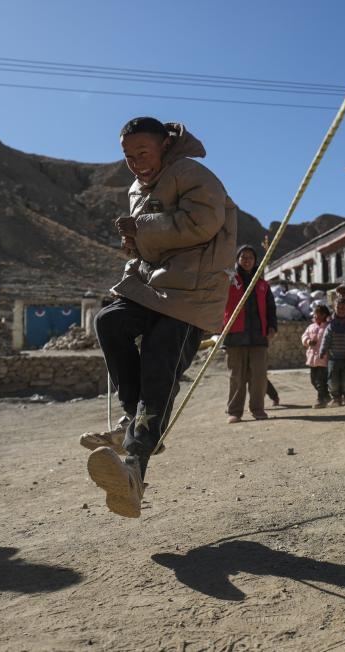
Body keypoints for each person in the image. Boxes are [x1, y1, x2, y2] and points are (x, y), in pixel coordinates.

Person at [83, 117, 236, 518]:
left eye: (143, 154)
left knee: (158, 372)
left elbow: (202, 224)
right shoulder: (137, 188)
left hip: (191, 295)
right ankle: (136, 423)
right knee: (109, 322)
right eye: (129, 157)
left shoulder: (193, 174)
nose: (136, 164)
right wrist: (133, 244)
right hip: (153, 287)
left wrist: (142, 228)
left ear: (166, 145)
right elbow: (151, 245)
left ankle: (133, 468)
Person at [224, 245, 277, 424]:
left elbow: (271, 307)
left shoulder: (262, 284)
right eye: (243, 257)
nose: (247, 260)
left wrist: (272, 327)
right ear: (237, 260)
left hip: (258, 336)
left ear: (255, 261)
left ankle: (257, 408)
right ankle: (235, 411)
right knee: (237, 376)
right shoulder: (230, 279)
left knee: (259, 375)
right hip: (235, 335)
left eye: (250, 257)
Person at [320, 298, 345, 406]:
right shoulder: (331, 325)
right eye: (338, 307)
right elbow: (326, 338)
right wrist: (322, 350)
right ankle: (336, 398)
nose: (341, 310)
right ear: (334, 308)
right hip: (333, 358)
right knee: (333, 380)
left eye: (343, 308)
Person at [302, 304, 332, 408]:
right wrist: (308, 341)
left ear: (324, 315)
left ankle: (321, 400)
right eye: (315, 314)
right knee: (313, 380)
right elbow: (304, 336)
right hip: (312, 359)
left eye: (318, 314)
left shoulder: (329, 327)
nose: (315, 316)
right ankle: (327, 396)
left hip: (323, 358)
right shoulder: (311, 327)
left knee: (320, 381)